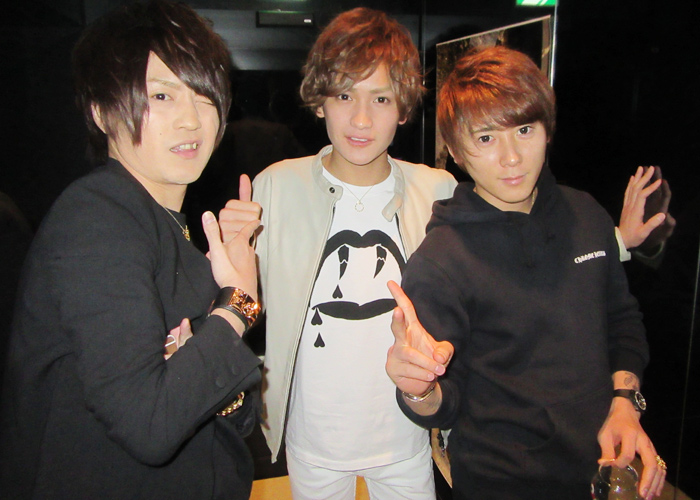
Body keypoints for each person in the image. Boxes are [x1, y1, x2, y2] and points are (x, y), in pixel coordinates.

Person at [0, 2, 263, 499]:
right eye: (161, 95)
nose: (190, 119)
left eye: (203, 95)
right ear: (102, 112)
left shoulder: (165, 226)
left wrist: (206, 354)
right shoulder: (97, 216)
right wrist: (238, 305)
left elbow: (240, 412)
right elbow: (149, 424)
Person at [385, 46, 667, 500]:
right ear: (455, 150)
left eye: (524, 129)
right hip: (502, 482)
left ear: (546, 129)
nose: (512, 157)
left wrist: (625, 405)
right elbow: (443, 403)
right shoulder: (442, 260)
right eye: (485, 139)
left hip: (601, 469)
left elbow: (621, 321)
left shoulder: (586, 215)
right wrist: (418, 389)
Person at [220, 8, 457, 499]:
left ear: (403, 108)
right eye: (345, 95)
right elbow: (243, 301)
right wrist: (230, 264)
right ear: (320, 101)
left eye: (381, 98)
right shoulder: (274, 187)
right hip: (315, 436)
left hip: (408, 431)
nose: (361, 119)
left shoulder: (438, 190)